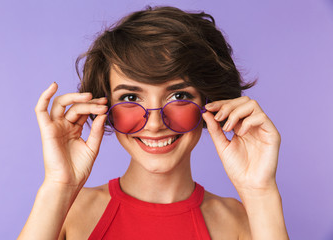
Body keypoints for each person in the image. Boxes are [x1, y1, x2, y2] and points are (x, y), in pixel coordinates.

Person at [18, 6, 289, 240]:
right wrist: (59, 185)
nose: (156, 122)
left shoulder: (243, 221)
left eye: (179, 95)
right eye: (131, 97)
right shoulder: (67, 212)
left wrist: (260, 191)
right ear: (105, 107)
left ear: (210, 102)